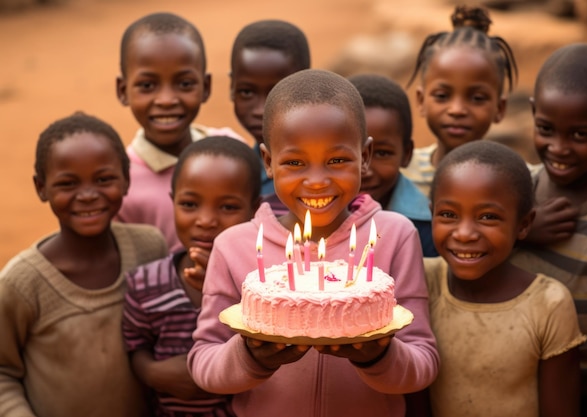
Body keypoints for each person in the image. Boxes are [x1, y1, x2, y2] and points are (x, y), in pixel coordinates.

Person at [187, 69, 439, 417]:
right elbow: (204, 364)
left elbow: (423, 363)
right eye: (294, 162)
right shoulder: (234, 246)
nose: (318, 181)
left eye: (337, 160)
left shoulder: (394, 235)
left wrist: (379, 356)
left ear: (365, 156)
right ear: (268, 162)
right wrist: (251, 357)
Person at [0, 112, 168, 417]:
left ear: (127, 180)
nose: (88, 195)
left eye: (104, 179)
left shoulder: (150, 248)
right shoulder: (20, 284)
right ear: (41, 188)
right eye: (67, 183)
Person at [424, 140, 586, 417]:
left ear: (523, 224)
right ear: (431, 215)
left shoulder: (548, 304)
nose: (464, 233)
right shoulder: (423, 281)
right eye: (448, 215)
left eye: (487, 217)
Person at [508, 43, 587, 417]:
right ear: (532, 113)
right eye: (546, 129)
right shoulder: (512, 191)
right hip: (508, 391)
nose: (558, 148)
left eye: (580, 135)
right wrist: (520, 230)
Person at [122, 136, 261, 417]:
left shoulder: (261, 286)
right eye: (189, 204)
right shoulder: (145, 283)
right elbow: (134, 345)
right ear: (172, 202)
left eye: (228, 207)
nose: (206, 220)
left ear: (255, 210)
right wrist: (151, 373)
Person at [115, 12, 242, 252]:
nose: (166, 100)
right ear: (123, 90)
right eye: (147, 85)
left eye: (184, 84)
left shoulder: (233, 151)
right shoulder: (121, 182)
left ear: (206, 87)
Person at [401, 5, 517, 198]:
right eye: (442, 96)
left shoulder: (516, 180)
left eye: (477, 98)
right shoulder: (401, 173)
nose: (457, 110)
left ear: (500, 107)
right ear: (421, 101)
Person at [348, 73, 436, 257]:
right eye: (351, 153)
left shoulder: (426, 227)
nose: (365, 170)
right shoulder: (310, 212)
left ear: (407, 154)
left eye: (382, 153)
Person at [229, 19, 310, 213]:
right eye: (247, 92)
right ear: (232, 86)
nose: (260, 110)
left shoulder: (330, 168)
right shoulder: (234, 174)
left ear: (307, 85)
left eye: (277, 92)